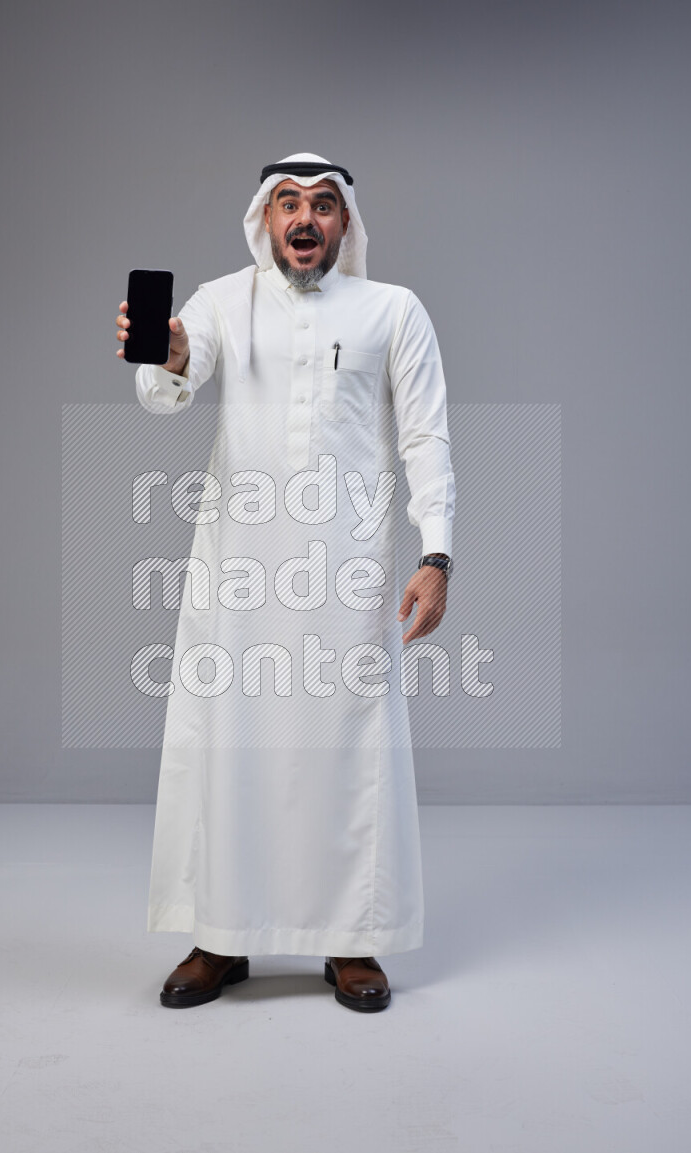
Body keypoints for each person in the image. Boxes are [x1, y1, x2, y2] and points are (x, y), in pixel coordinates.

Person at [115, 153, 455, 1013]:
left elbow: (426, 438)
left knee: (349, 748)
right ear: (265, 218)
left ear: (347, 223)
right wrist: (173, 351)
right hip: (239, 568)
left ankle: (351, 943)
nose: (306, 220)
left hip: (349, 568)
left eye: (325, 206)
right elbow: (166, 393)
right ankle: (220, 937)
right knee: (232, 744)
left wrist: (436, 553)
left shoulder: (393, 310)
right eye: (289, 205)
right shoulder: (226, 298)